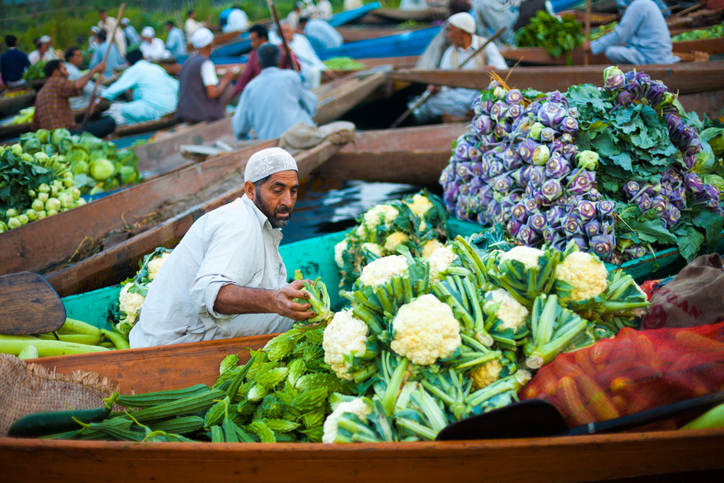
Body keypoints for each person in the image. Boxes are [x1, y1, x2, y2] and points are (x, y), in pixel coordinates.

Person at [129, 147, 315, 348]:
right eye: (277, 191)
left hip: (172, 332)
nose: (287, 201)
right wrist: (274, 299)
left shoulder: (255, 219)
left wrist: (277, 295)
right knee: (297, 316)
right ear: (251, 190)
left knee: (293, 303)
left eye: (293, 191)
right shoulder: (239, 224)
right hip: (175, 342)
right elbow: (209, 292)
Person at [412, 12, 508, 123]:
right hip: (457, 99)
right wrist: (437, 87)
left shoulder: (486, 46)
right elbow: (445, 79)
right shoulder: (450, 52)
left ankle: (476, 111)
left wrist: (493, 72)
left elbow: (503, 71)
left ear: (461, 32)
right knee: (430, 103)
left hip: (480, 96)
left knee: (495, 96)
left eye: (450, 30)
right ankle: (468, 113)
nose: (447, 35)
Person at [233, 44, 317, 140]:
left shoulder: (251, 87)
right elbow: (312, 106)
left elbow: (239, 127)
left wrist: (248, 138)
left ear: (258, 64)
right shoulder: (291, 77)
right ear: (280, 61)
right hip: (299, 138)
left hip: (269, 142)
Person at [32, 60, 116, 137]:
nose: (68, 73)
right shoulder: (56, 81)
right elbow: (77, 86)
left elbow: (35, 126)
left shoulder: (40, 93)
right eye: (65, 69)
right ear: (56, 73)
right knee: (109, 121)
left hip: (53, 137)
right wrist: (94, 70)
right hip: (67, 136)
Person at [584, 0, 678, 65]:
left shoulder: (638, 5)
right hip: (660, 55)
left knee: (611, 51)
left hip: (651, 57)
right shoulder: (647, 3)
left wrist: (592, 46)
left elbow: (619, 36)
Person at [100, 49, 179, 125]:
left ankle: (141, 129)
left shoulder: (133, 70)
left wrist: (97, 101)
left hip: (157, 111)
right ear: (143, 58)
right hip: (173, 107)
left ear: (129, 64)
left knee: (124, 109)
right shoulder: (156, 68)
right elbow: (176, 86)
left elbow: (111, 92)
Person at [176, 28, 236, 123]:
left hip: (184, 113)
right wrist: (226, 80)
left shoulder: (187, 62)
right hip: (200, 115)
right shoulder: (206, 63)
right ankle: (218, 115)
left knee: (219, 82)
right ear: (211, 44)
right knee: (227, 87)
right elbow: (212, 93)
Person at [232, 24, 298, 98]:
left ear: (263, 39)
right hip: (266, 92)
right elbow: (245, 77)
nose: (251, 44)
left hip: (282, 89)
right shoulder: (253, 55)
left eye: (253, 40)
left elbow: (297, 67)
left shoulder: (279, 49)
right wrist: (234, 94)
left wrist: (290, 55)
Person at [280, 21, 326, 89]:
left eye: (287, 31)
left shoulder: (301, 39)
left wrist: (322, 67)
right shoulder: (279, 45)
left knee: (314, 71)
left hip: (308, 70)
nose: (285, 34)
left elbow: (312, 55)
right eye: (282, 32)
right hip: (294, 75)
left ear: (293, 31)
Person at [65, 46, 106, 111]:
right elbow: (92, 90)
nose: (82, 58)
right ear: (70, 59)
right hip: (78, 105)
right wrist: (107, 91)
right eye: (78, 56)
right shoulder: (73, 72)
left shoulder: (70, 68)